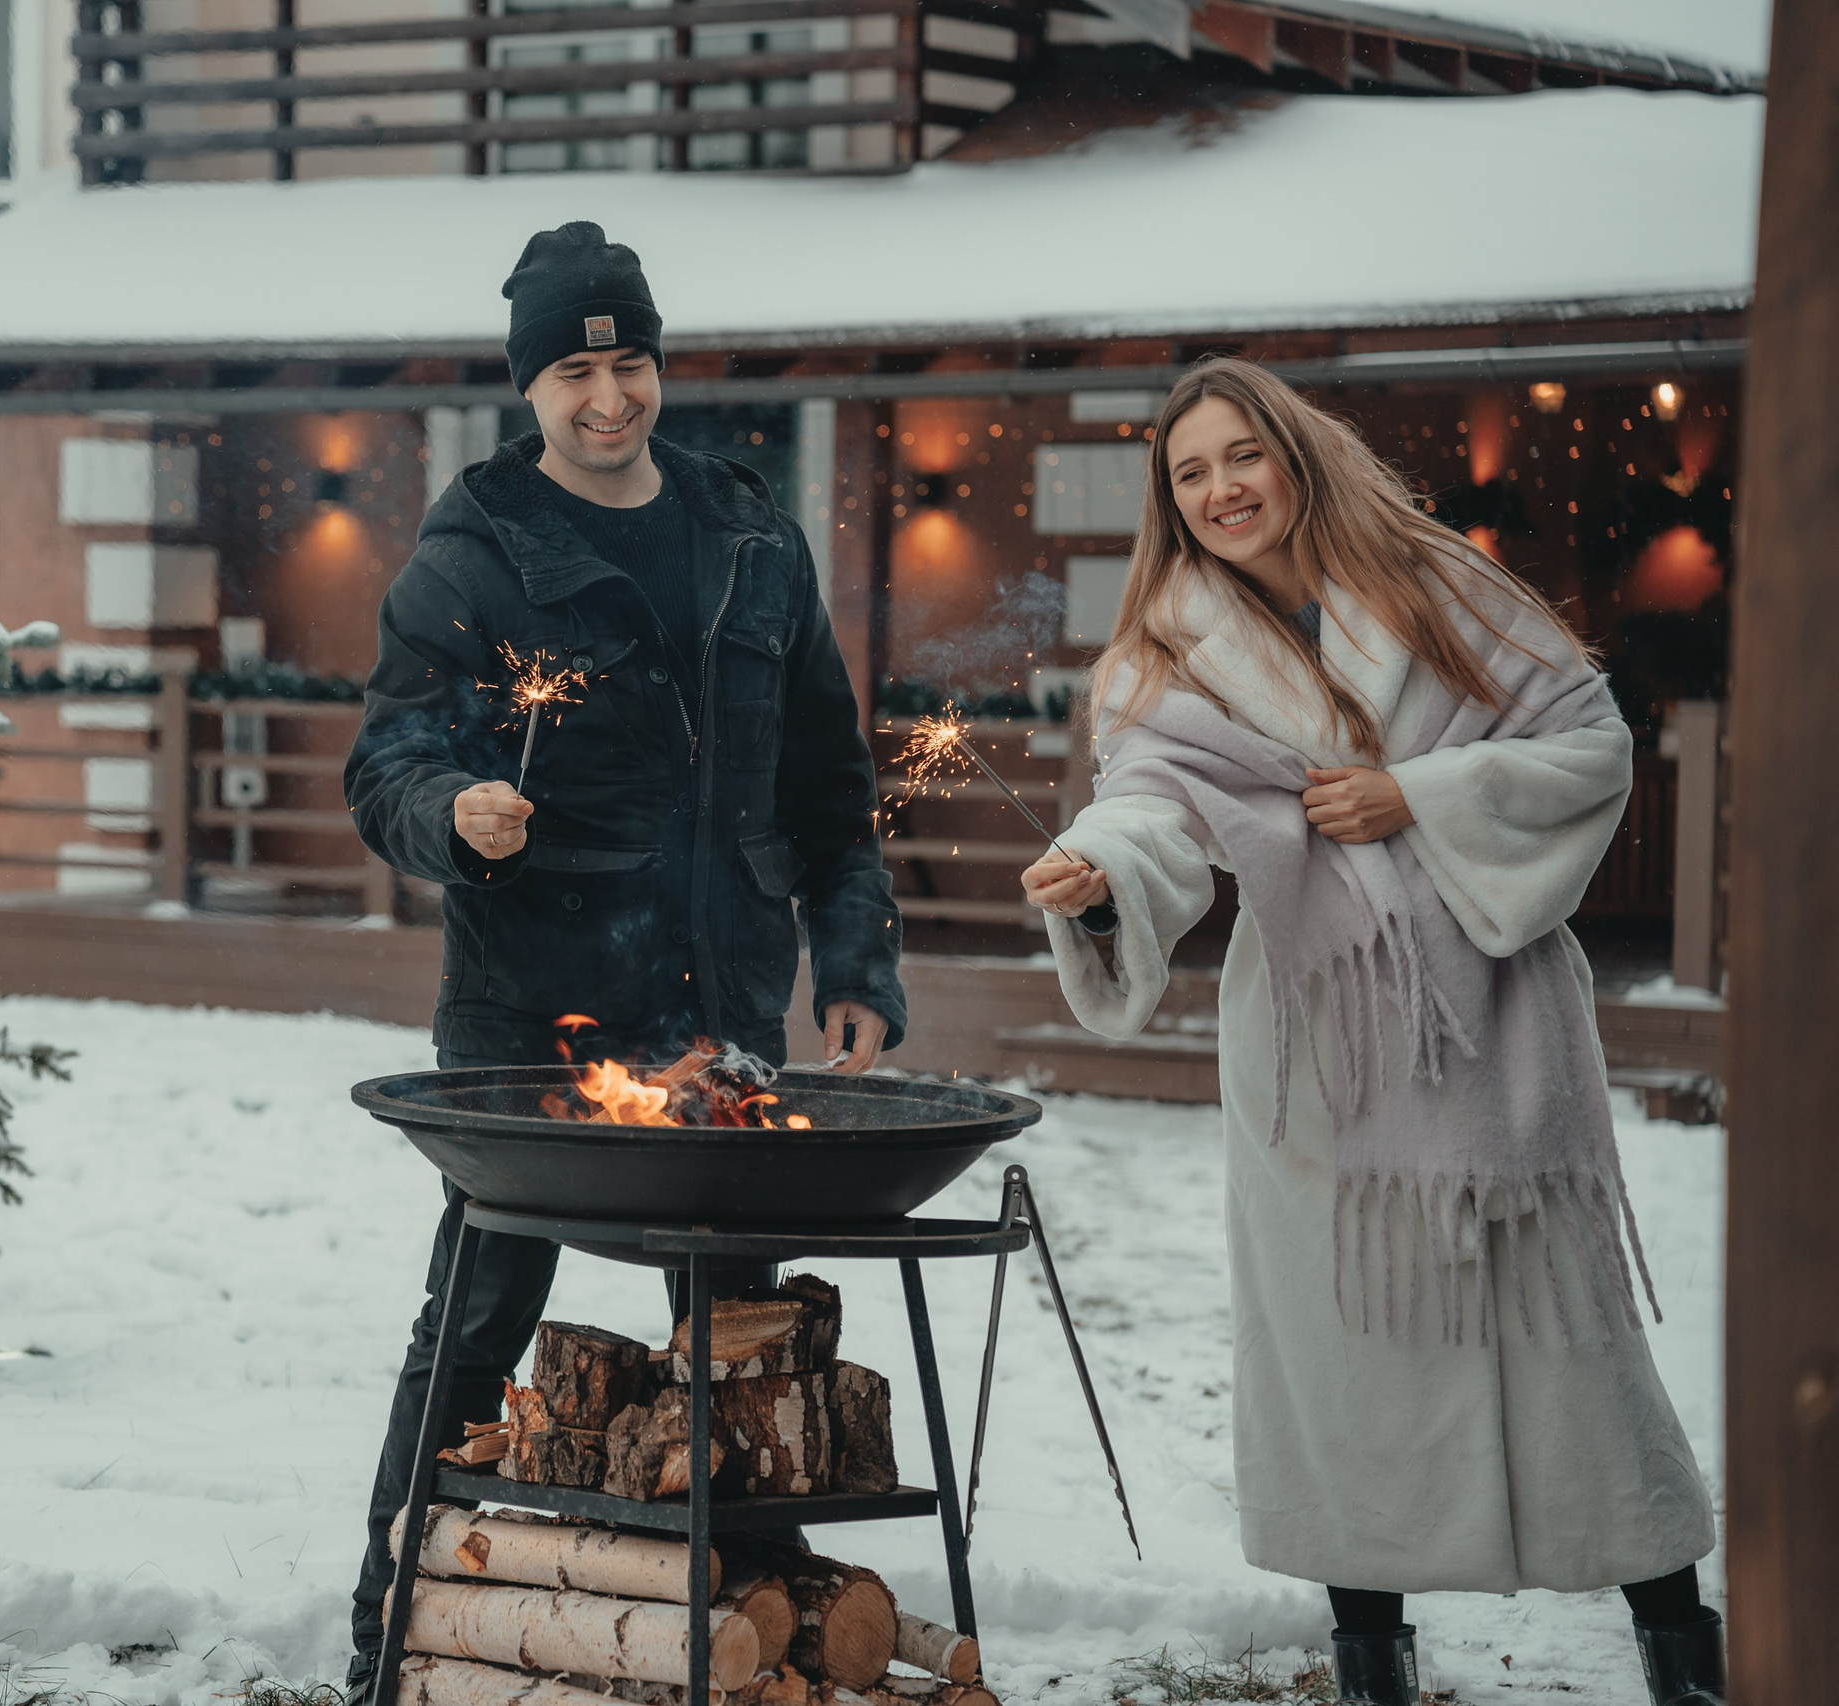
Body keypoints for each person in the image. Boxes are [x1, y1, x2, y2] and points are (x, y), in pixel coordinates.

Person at [1020, 359, 1723, 1706]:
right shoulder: (1160, 660)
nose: (1223, 489)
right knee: (1348, 1345)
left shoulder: (1436, 581)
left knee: (1578, 1353)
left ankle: (1677, 1646)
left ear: (1294, 455)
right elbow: (1149, 808)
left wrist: (1419, 794)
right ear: (1167, 503)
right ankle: (1370, 1655)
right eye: (1190, 473)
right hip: (1320, 1046)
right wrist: (1098, 874)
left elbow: (1589, 741)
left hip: (1500, 1021)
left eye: (1244, 456)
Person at [338, 221, 904, 1699]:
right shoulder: (475, 548)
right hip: (535, 1017)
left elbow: (831, 789)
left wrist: (853, 958)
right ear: (530, 384)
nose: (609, 394)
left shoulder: (749, 534)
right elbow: (384, 761)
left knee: (738, 1333)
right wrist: (452, 813)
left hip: (720, 1012)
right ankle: (388, 1620)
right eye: (576, 367)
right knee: (480, 1310)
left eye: (630, 358)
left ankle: (728, 1632)